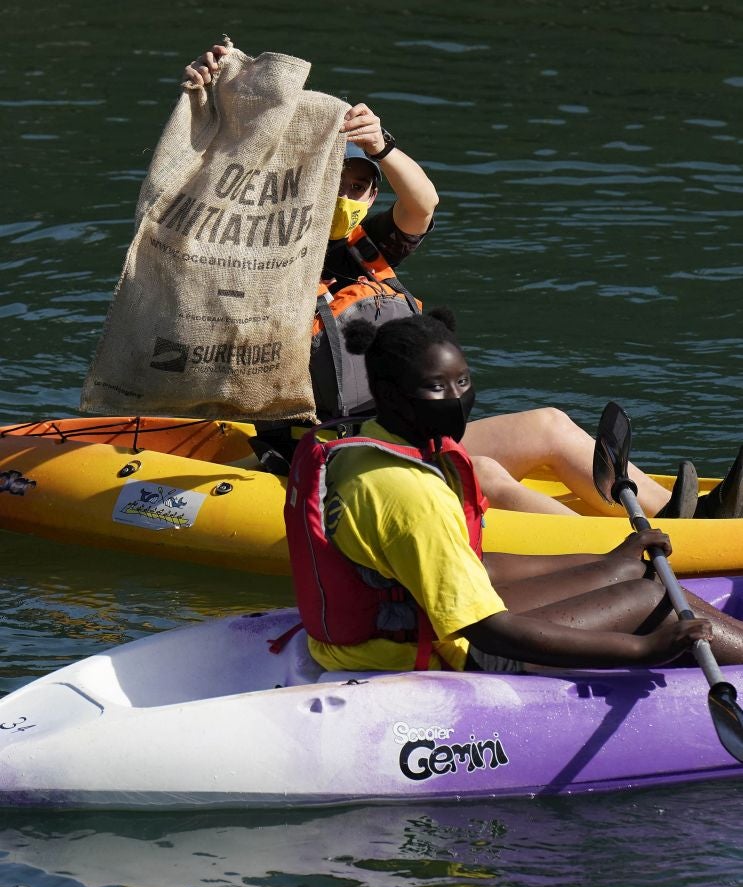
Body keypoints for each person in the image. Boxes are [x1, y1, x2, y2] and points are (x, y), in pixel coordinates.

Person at [184, 46, 743, 520]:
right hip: (335, 456)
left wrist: (380, 146)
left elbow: (422, 201)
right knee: (488, 473)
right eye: (339, 184)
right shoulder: (256, 263)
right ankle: (621, 549)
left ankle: (681, 516)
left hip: (407, 434)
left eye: (361, 188)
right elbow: (214, 202)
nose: (351, 198)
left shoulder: (366, 247)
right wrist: (212, 105)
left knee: (548, 423)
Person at [284, 309, 743, 674]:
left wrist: (608, 562)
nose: (454, 398)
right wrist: (641, 649)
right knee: (648, 600)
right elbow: (487, 632)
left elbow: (472, 565)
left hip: (407, 625)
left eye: (461, 382)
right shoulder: (409, 492)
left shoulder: (364, 449)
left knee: (635, 575)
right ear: (389, 392)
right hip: (419, 651)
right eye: (435, 387)